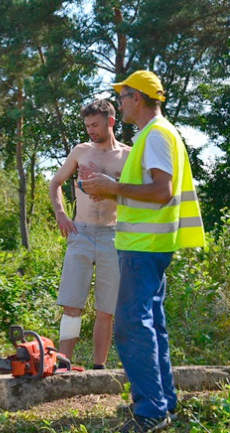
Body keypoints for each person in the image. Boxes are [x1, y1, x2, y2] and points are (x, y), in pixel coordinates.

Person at [82, 70, 205, 433]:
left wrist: (111, 186)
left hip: (143, 247)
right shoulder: (161, 135)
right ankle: (163, 404)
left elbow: (160, 191)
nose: (119, 103)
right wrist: (111, 190)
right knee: (152, 325)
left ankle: (151, 411)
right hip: (151, 245)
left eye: (123, 97)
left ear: (138, 98)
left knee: (132, 327)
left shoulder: (155, 136)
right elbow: (155, 191)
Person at [49, 99, 130, 369]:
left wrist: (111, 187)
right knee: (72, 304)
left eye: (95, 124)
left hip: (113, 234)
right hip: (80, 232)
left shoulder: (128, 156)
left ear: (110, 121)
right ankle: (64, 364)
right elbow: (56, 183)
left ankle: (99, 368)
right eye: (87, 125)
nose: (90, 130)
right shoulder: (80, 151)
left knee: (106, 310)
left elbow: (138, 195)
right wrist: (61, 213)